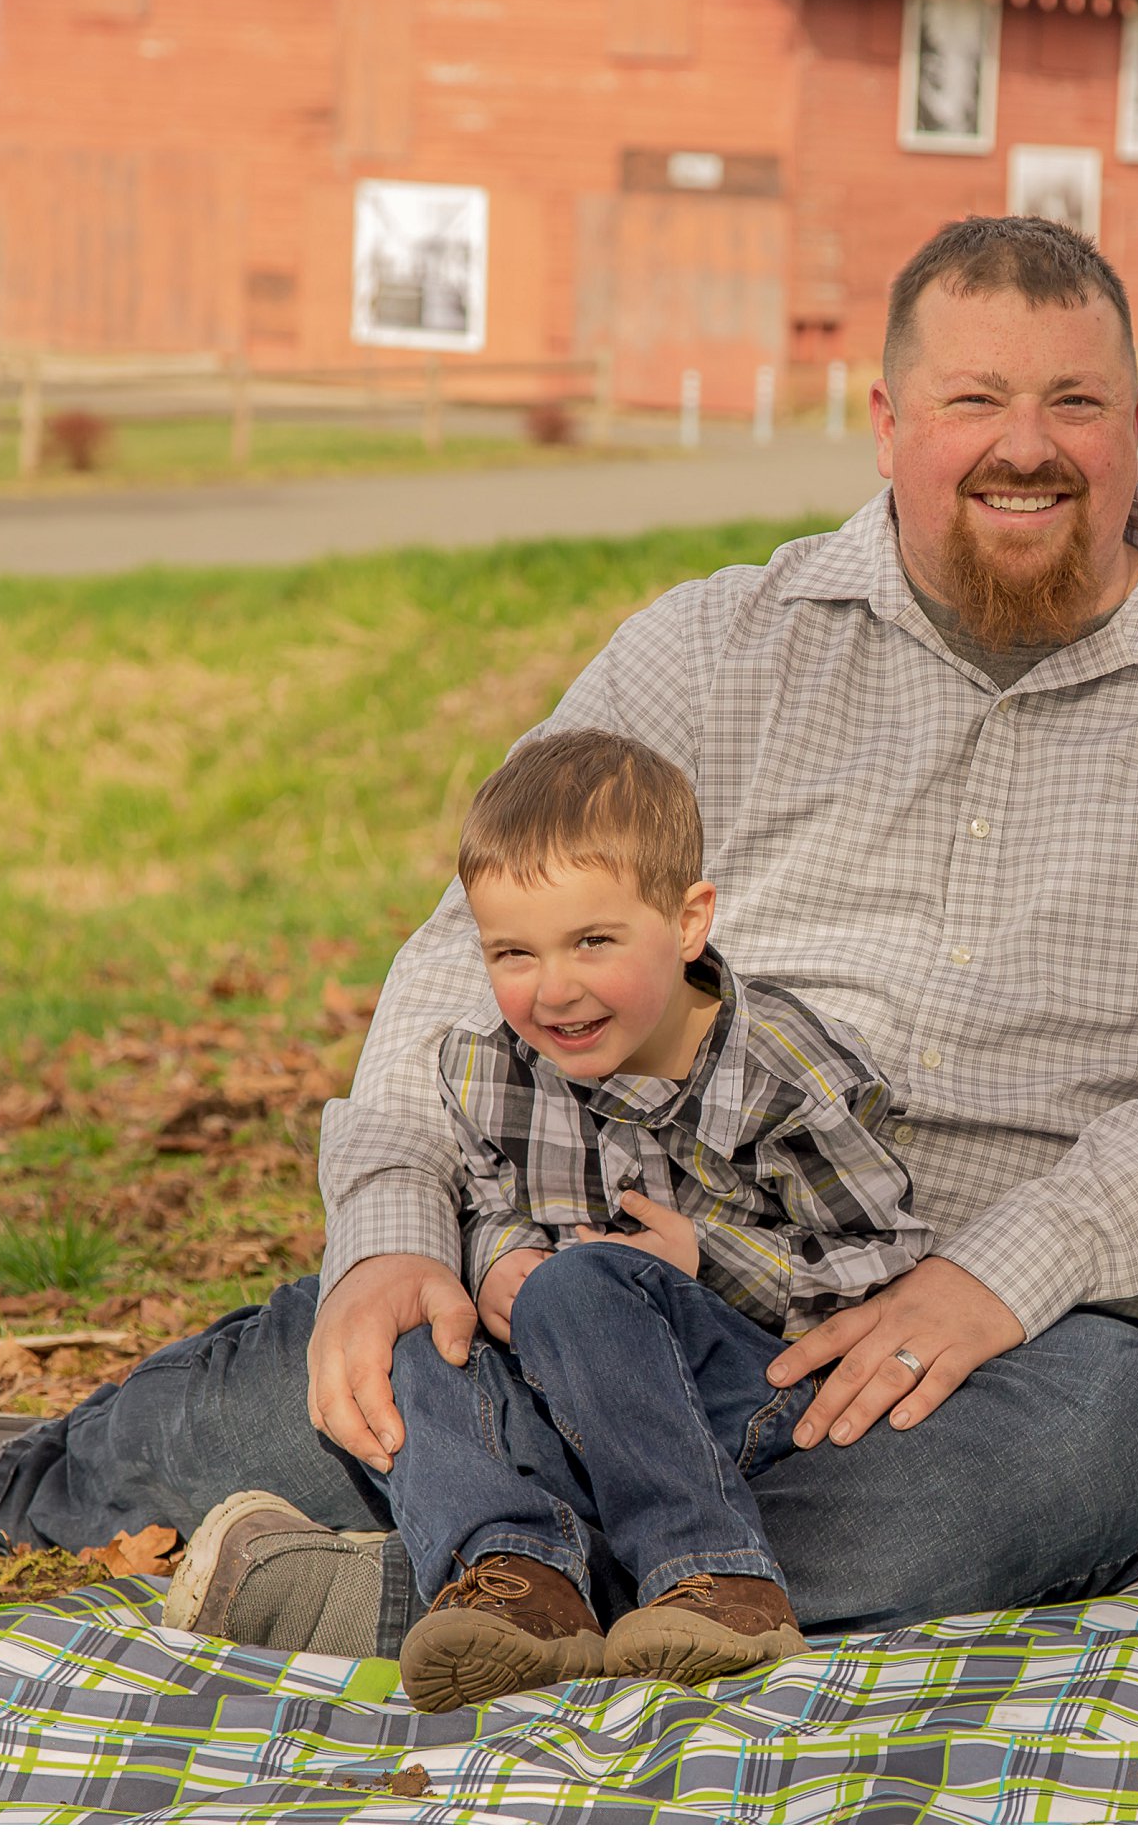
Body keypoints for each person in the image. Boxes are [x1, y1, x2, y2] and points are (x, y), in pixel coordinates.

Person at [0, 216, 1138, 1656]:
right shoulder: (712, 646)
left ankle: (460, 1575)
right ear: (887, 422)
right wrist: (394, 1229)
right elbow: (472, 949)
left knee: (1113, 1437)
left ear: (1137, 426)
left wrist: (993, 1280)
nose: (1026, 445)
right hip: (602, 1290)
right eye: (974, 401)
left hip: (973, 1367)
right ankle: (556, 1557)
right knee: (342, 1376)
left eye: (1072, 402)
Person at [195, 729, 939, 1709]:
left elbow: (884, 1263)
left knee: (589, 1284)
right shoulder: (496, 1067)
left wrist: (703, 1259)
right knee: (428, 1311)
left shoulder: (784, 1073)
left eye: (593, 942)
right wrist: (497, 1261)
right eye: (514, 952)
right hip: (561, 1389)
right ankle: (519, 1582)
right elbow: (490, 1202)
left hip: (743, 1397)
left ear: (685, 920)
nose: (553, 989)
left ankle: (716, 1577)